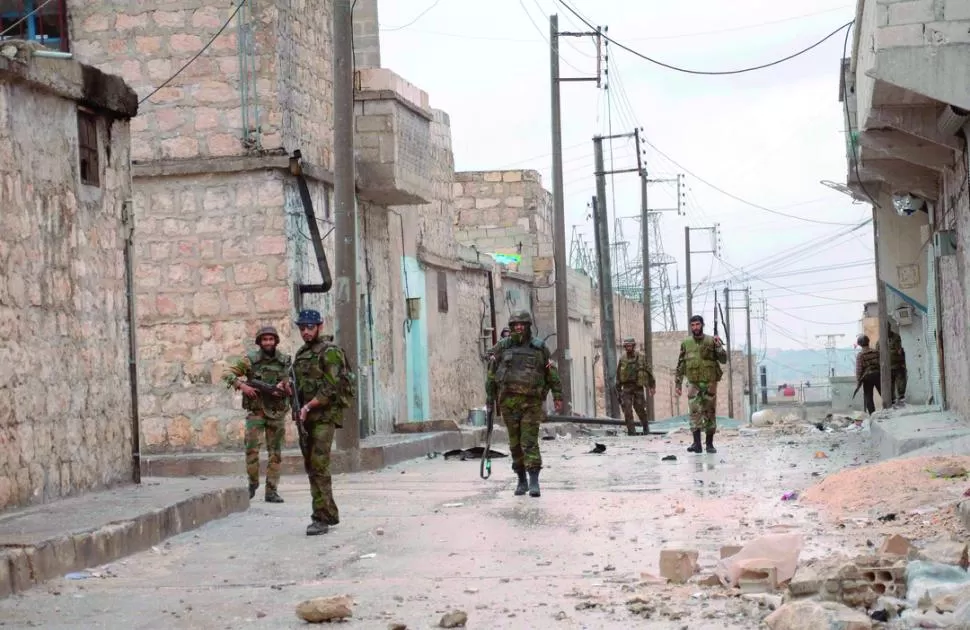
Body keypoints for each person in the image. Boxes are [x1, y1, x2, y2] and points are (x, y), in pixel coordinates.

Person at [291, 309, 357, 536]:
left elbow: (331, 387)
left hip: (324, 417)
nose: (305, 332)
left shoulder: (330, 352)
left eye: (309, 327)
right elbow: (298, 385)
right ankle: (326, 513)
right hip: (306, 419)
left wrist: (309, 406)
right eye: (302, 328)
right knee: (311, 466)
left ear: (319, 326)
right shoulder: (301, 354)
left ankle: (321, 517)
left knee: (319, 465)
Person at [486, 310, 563, 497]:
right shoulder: (501, 348)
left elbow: (550, 372)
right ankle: (521, 480)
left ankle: (534, 481)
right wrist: (490, 399)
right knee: (515, 444)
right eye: (515, 325)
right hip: (508, 403)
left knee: (529, 442)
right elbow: (491, 375)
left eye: (522, 324)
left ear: (528, 326)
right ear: (511, 327)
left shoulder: (539, 348)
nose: (518, 327)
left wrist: (558, 395)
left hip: (531, 403)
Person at [223, 325, 291, 503]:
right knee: (251, 450)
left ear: (276, 341)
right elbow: (227, 373)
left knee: (275, 453)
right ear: (260, 342)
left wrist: (283, 387)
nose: (268, 342)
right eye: (264, 339)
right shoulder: (249, 360)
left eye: (271, 339)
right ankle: (252, 483)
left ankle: (271, 491)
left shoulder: (284, 361)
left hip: (276, 412)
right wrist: (243, 386)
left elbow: (290, 382)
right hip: (256, 412)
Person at [675, 315, 728, 454]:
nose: (695, 328)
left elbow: (723, 359)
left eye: (697, 324)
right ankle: (696, 444)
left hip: (709, 383)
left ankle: (709, 444)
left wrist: (718, 346)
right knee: (694, 412)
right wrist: (678, 383)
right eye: (692, 325)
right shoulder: (686, 343)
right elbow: (681, 364)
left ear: (702, 325)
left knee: (709, 412)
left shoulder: (711, 341)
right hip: (693, 383)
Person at [615, 337, 656, 436]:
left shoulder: (641, 357)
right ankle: (631, 432)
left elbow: (649, 371)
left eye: (630, 345)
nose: (629, 347)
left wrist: (652, 386)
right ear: (625, 346)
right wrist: (618, 389)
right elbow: (618, 374)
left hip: (638, 386)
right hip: (626, 387)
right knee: (627, 410)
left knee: (640, 408)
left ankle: (646, 427)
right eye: (627, 345)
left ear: (633, 346)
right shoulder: (622, 358)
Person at [856, 334, 881, 415]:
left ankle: (872, 415)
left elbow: (859, 369)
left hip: (867, 377)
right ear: (868, 342)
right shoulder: (876, 351)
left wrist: (858, 380)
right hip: (877, 374)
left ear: (859, 344)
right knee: (883, 393)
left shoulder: (861, 355)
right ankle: (889, 409)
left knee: (868, 397)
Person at [883, 326, 907, 406]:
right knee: (890, 385)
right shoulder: (881, 339)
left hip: (897, 365)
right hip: (887, 368)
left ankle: (901, 398)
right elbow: (879, 351)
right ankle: (892, 401)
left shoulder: (896, 337)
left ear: (889, 328)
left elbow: (899, 350)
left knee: (901, 383)